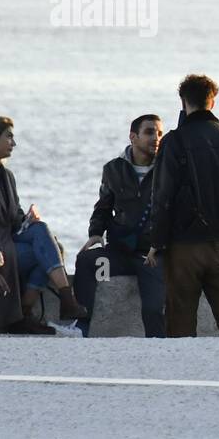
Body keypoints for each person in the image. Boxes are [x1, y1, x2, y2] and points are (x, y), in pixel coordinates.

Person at [0, 116, 89, 335]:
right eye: (9, 137)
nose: (13, 143)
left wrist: (27, 220)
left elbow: (14, 217)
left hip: (9, 240)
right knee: (47, 252)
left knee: (45, 234)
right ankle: (50, 305)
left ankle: (32, 310)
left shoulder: (6, 176)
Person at [147, 75, 219, 337]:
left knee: (180, 316)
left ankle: (183, 372)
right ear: (213, 102)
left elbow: (163, 196)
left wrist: (158, 241)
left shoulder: (174, 141)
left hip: (183, 244)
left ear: (183, 102)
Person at [72, 114, 166, 337]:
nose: (157, 138)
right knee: (87, 261)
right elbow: (103, 206)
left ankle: (159, 348)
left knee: (153, 309)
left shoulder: (167, 169)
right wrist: (95, 233)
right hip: (119, 254)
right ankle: (81, 327)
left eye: (160, 133)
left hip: (151, 256)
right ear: (133, 137)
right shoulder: (114, 169)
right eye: (150, 132)